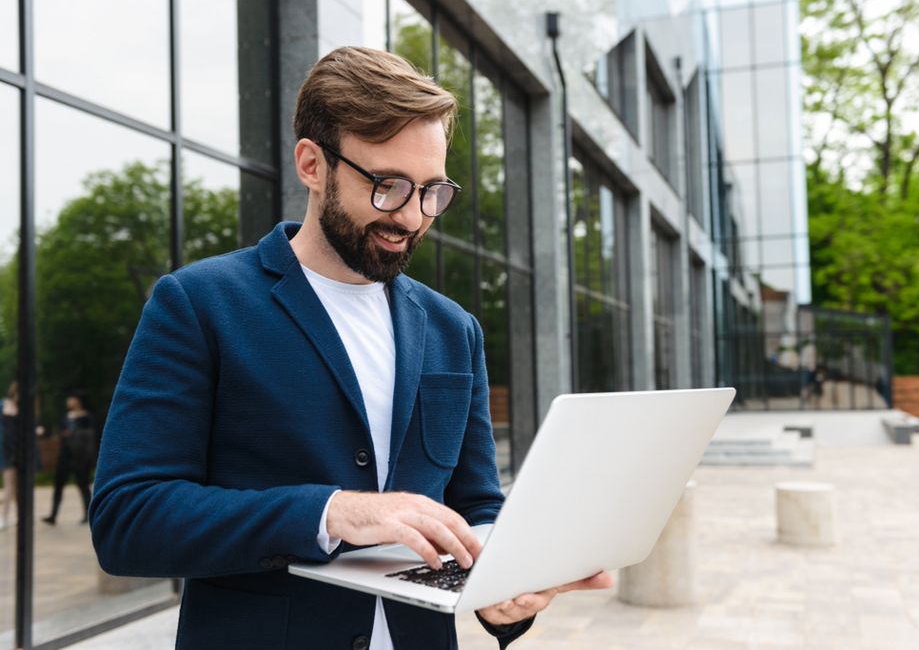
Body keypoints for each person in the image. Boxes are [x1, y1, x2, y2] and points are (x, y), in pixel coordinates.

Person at [90, 46, 611, 649]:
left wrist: (503, 593)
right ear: (312, 164)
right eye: (388, 186)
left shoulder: (453, 329)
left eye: (432, 191)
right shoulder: (199, 303)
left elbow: (475, 509)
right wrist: (333, 513)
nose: (413, 217)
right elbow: (128, 518)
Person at [43, 391, 95, 525]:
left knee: (83, 486)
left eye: (70, 398)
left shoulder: (86, 417)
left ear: (77, 400)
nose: (68, 401)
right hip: (65, 456)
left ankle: (88, 514)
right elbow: (60, 434)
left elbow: (90, 437)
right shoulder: (66, 417)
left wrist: (73, 433)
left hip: (80, 457)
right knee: (58, 485)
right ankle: (53, 515)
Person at [1, 382, 18, 530]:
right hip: (6, 450)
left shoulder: (25, 408)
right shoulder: (3, 404)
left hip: (19, 450)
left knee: (19, 486)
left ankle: (21, 516)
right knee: (9, 485)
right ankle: (4, 517)